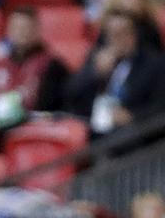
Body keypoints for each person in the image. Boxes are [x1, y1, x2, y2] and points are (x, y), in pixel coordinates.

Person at [66, 10, 165, 140]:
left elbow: (159, 106)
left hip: (134, 137)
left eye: (122, 33)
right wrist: (94, 73)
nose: (117, 39)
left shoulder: (154, 63)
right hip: (95, 132)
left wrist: (131, 116)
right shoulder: (97, 59)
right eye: (111, 34)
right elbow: (71, 93)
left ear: (134, 34)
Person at [0, 7, 70, 130]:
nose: (21, 33)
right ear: (8, 30)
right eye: (16, 28)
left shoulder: (52, 65)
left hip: (34, 129)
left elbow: (52, 108)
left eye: (26, 28)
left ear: (37, 30)